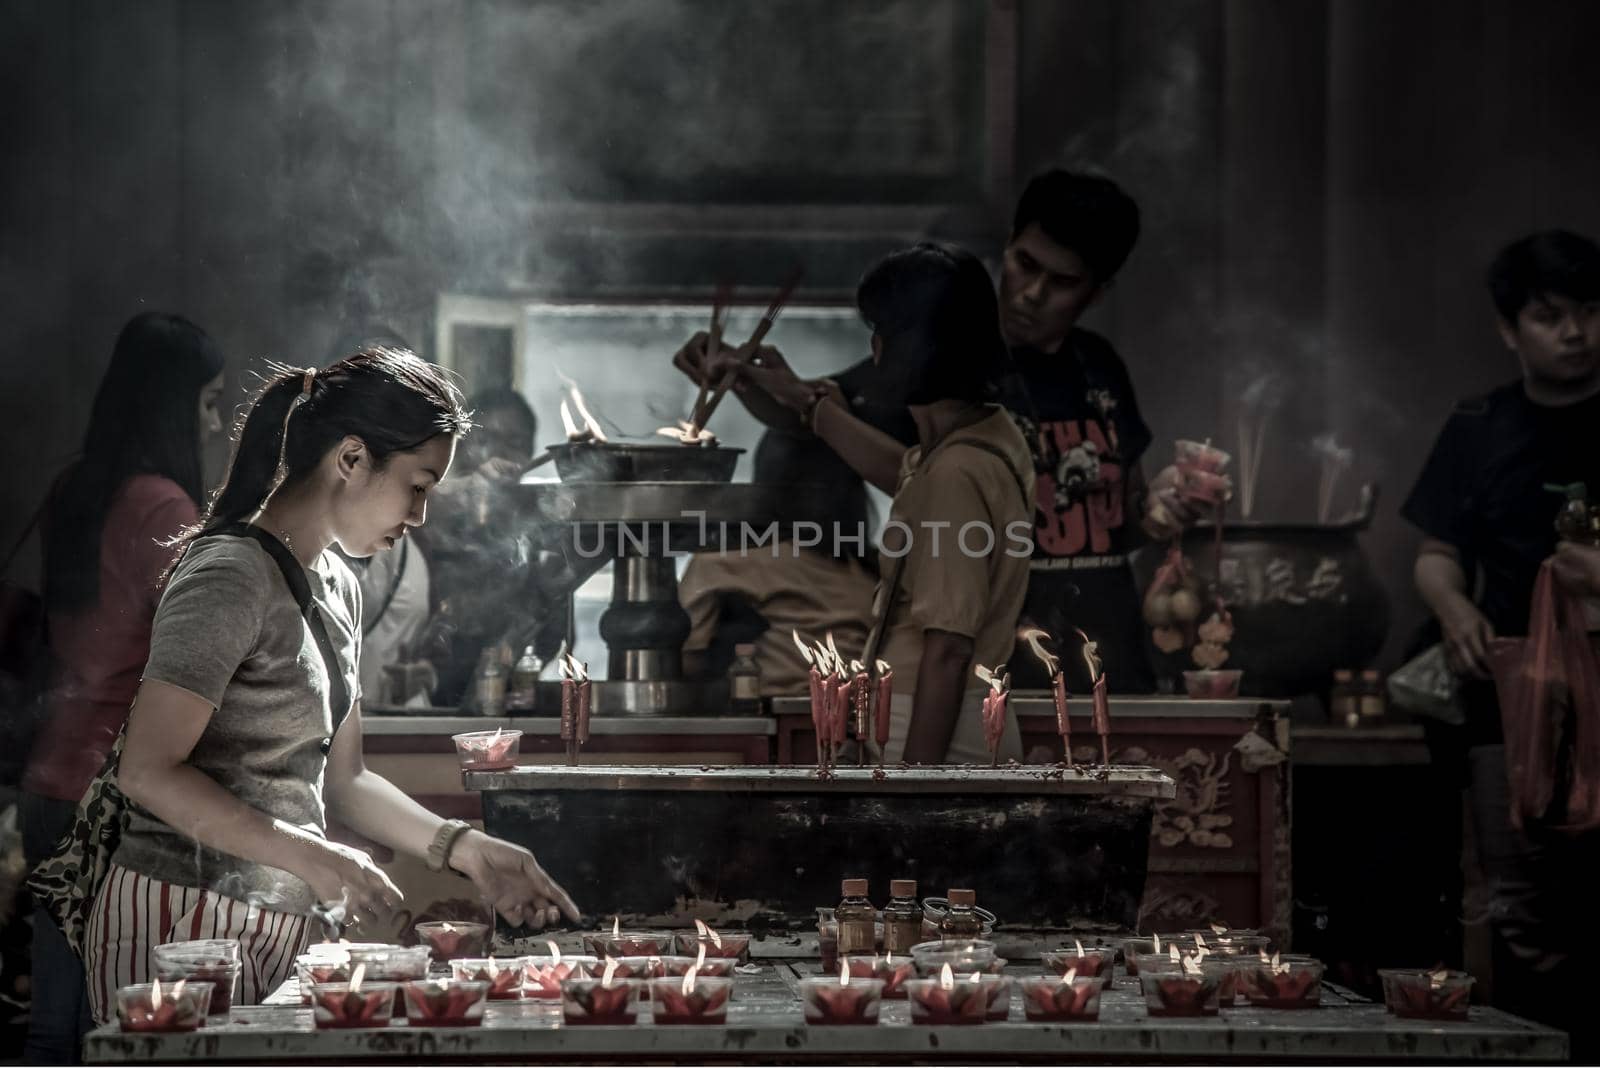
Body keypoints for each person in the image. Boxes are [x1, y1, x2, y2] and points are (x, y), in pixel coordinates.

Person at [77, 347, 578, 1023]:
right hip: (177, 919)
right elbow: (147, 771)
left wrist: (467, 849)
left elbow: (346, 783)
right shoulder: (230, 575)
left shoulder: (340, 585)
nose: (421, 516)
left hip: (284, 921)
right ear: (350, 459)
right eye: (419, 485)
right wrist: (315, 856)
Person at [673, 170, 1192, 694]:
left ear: (1098, 292)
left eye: (1062, 282)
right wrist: (741, 377)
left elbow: (1123, 521)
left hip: (1109, 659)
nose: (1033, 293)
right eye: (1025, 264)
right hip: (1004, 666)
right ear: (1007, 248)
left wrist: (1164, 512)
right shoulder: (951, 364)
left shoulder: (1100, 367)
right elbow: (809, 412)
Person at [1402, 229, 1600, 1046]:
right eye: (1551, 316)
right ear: (1508, 328)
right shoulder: (1480, 425)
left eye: (1591, 312)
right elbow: (1435, 556)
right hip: (1508, 692)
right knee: (1516, 900)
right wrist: (1454, 610)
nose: (1577, 332)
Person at [17, 312, 225, 1062]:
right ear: (173, 405)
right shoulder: (166, 507)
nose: (214, 424)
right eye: (208, 403)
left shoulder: (75, 487)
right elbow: (198, 653)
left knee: (52, 1019)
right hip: (112, 797)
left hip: (47, 781)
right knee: (112, 1026)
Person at [739, 245, 1034, 761]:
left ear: (904, 348)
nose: (872, 347)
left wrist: (914, 790)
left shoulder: (955, 473)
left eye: (878, 331)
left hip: (935, 734)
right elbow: (905, 474)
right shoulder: (983, 437)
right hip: (945, 722)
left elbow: (947, 652)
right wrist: (803, 400)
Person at [678, 433, 878, 693]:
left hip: (768, 718)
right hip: (860, 718)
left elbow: (685, 662)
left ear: (764, 485)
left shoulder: (725, 559)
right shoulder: (874, 569)